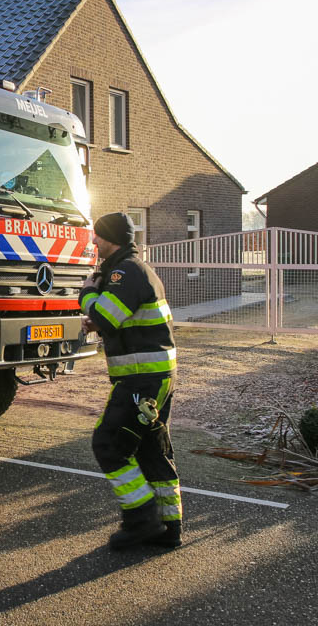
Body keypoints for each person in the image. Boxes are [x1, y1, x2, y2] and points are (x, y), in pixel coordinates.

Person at [79, 212, 181, 550]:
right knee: (152, 451)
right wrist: (100, 321)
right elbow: (121, 318)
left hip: (141, 382)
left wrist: (87, 294)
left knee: (109, 445)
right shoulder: (135, 269)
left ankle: (141, 520)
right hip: (155, 379)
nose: (94, 241)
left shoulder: (125, 272)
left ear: (111, 238)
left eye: (98, 235)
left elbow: (106, 314)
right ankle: (168, 528)